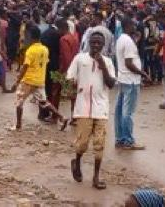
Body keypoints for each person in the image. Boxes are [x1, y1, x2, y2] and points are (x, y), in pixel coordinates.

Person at [67, 32, 117, 190]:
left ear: (103, 46)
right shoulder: (80, 59)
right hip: (83, 108)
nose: (96, 46)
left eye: (99, 43)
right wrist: (72, 88)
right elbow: (70, 78)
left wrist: (103, 66)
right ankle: (77, 162)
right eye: (93, 42)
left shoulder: (108, 62)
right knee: (82, 144)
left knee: (99, 144)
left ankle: (96, 177)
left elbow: (110, 84)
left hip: (101, 108)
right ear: (89, 42)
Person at [12, 26, 69, 131]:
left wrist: (17, 81)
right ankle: (62, 117)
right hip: (40, 80)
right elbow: (44, 63)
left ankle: (18, 125)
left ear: (30, 36)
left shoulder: (30, 50)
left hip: (28, 80)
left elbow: (25, 67)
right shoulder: (45, 49)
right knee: (44, 102)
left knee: (19, 102)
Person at [115, 16, 149, 150]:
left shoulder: (121, 39)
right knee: (127, 112)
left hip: (123, 78)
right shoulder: (128, 42)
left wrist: (136, 39)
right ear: (128, 26)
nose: (135, 27)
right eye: (133, 25)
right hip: (131, 80)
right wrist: (142, 73)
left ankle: (120, 138)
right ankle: (128, 140)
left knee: (120, 110)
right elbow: (129, 63)